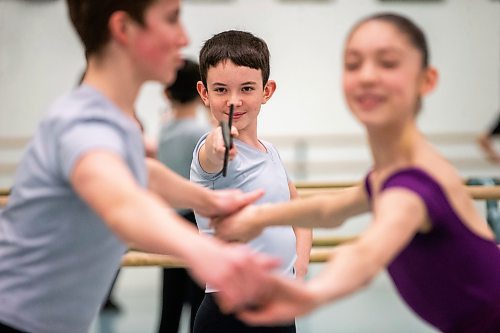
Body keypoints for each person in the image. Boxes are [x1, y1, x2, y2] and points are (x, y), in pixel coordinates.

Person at [0, 1, 279, 333]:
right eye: (172, 19)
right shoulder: (83, 124)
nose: (183, 36)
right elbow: (121, 203)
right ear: (123, 29)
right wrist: (204, 251)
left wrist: (210, 201)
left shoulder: (115, 121)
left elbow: (143, 172)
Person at [213, 14, 500, 333]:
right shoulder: (393, 170)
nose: (366, 76)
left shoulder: (411, 186)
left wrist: (311, 293)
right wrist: (259, 218)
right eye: (353, 64)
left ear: (426, 80)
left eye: (387, 63)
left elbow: (365, 254)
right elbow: (328, 210)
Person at [190, 30, 312, 333]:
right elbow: (213, 152)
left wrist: (299, 267)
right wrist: (219, 143)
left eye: (246, 88)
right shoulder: (210, 151)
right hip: (228, 312)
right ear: (204, 93)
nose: (234, 101)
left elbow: (300, 213)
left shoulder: (271, 153)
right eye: (220, 90)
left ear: (266, 91)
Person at [156, 59, 209, 333]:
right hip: (195, 221)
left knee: (170, 301)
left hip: (171, 219)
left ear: (167, 92)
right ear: (202, 93)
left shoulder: (164, 129)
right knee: (199, 299)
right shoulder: (200, 134)